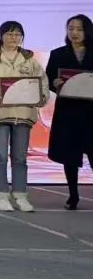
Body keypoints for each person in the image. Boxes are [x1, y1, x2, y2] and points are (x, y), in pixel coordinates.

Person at [0, 20, 49, 212]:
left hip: (23, 114)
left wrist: (40, 96)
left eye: (17, 34)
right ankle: (1, 195)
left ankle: (21, 195)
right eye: (9, 34)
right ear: (1, 36)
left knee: (20, 157)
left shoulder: (29, 60)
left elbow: (42, 83)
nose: (13, 38)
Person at [46, 14, 93, 210]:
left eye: (79, 29)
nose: (74, 33)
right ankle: (73, 196)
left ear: (87, 31)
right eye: (71, 28)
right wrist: (54, 83)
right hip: (68, 112)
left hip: (91, 113)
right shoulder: (58, 54)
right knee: (70, 156)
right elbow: (48, 79)